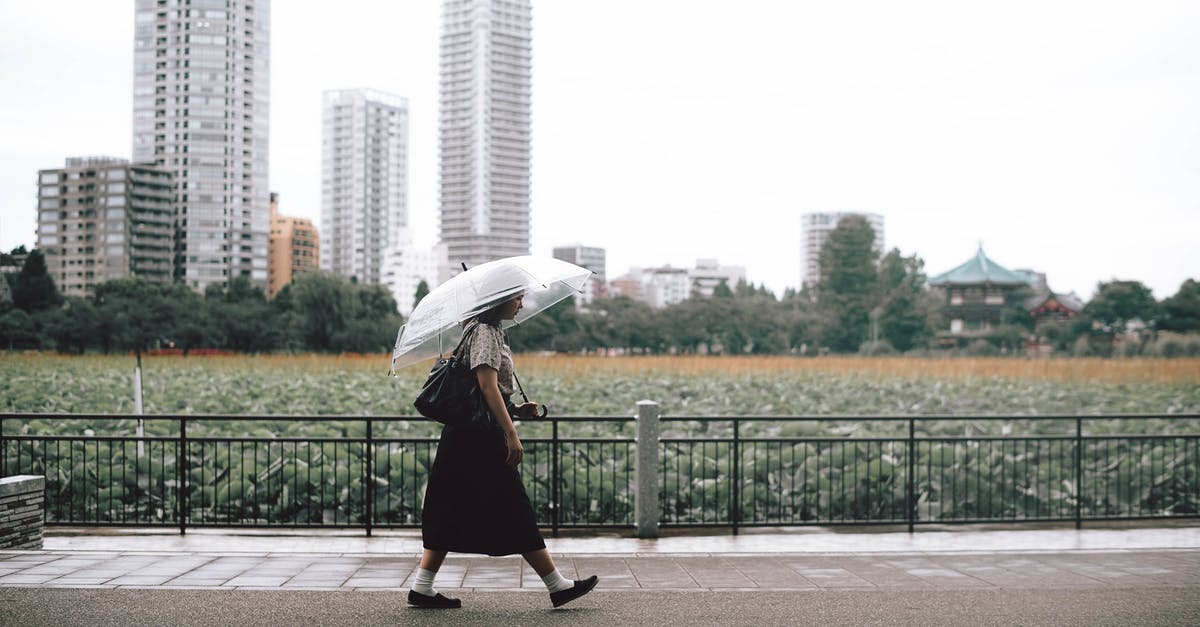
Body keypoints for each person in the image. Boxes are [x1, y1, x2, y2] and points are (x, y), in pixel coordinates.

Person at [409, 291, 599, 609]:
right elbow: (486, 386)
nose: (521, 304)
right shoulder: (484, 331)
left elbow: (488, 392)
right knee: (513, 505)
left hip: (466, 435)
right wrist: (511, 433)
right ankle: (557, 585)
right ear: (500, 301)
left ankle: (422, 587)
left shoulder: (488, 330)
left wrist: (516, 411)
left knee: (449, 505)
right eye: (518, 299)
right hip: (479, 438)